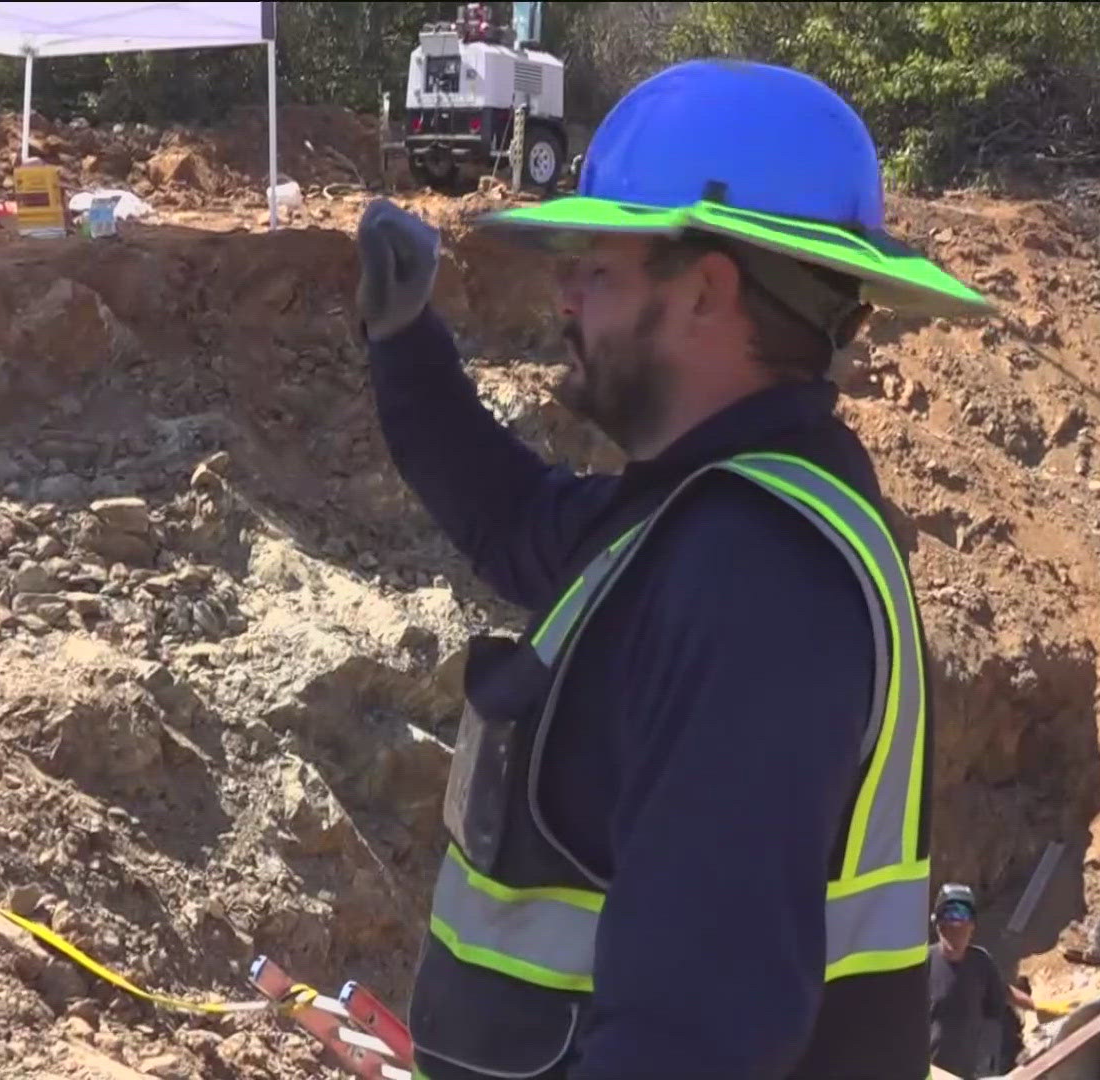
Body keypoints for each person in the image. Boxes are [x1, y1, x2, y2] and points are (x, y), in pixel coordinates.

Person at [354, 58, 992, 1080]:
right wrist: (403, 342)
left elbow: (689, 1039)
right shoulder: (696, 519)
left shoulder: (755, 581)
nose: (564, 289)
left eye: (598, 261)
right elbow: (516, 520)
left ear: (705, 291)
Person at [927, 885, 1033, 1079]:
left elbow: (1005, 993)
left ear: (972, 925)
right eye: (950, 915)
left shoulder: (981, 962)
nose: (956, 925)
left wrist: (1040, 1007)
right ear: (937, 923)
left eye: (963, 916)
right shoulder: (923, 964)